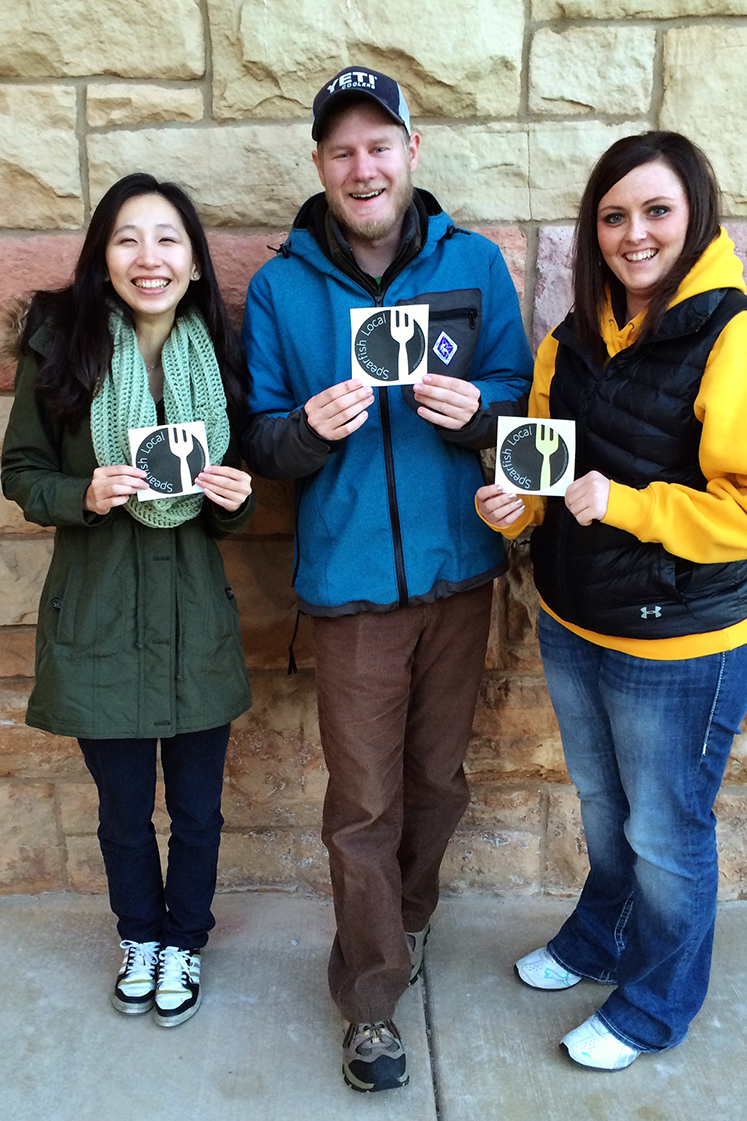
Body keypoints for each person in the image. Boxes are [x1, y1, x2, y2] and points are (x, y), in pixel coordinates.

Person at [478, 131, 747, 1070]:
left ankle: (658, 1001)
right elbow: (541, 467)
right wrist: (512, 509)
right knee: (605, 807)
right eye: (614, 216)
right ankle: (599, 936)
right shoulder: (570, 337)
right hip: (576, 623)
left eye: (656, 211)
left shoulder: (741, 340)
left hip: (687, 643)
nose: (634, 233)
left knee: (666, 830)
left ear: (694, 214)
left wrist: (630, 506)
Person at [241, 67, 532, 1091]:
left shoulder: (475, 264)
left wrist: (481, 414)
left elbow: (517, 397)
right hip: (353, 589)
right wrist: (304, 435)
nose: (361, 166)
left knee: (436, 787)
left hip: (459, 579)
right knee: (360, 803)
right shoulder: (282, 286)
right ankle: (370, 998)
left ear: (411, 151)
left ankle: (399, 924)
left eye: (378, 144)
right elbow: (261, 439)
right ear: (319, 165)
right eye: (339, 149)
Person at [2, 173, 254, 1028]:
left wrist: (233, 497)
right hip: (100, 616)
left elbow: (239, 499)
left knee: (197, 810)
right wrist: (85, 494)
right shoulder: (61, 345)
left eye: (168, 239)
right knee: (119, 813)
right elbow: (20, 471)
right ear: (102, 257)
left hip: (194, 617)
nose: (149, 257)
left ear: (192, 262)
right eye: (128, 238)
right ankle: (138, 937)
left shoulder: (217, 353)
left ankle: (186, 941)